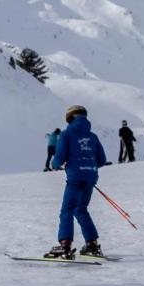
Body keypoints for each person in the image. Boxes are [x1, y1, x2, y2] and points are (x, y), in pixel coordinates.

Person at [46, 106, 108, 258]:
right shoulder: (93, 137)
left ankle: (65, 246)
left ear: (70, 118)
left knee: (67, 210)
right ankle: (92, 245)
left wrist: (54, 165)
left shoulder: (67, 134)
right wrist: (88, 167)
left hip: (75, 178)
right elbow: (102, 160)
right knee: (81, 210)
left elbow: (58, 159)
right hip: (90, 178)